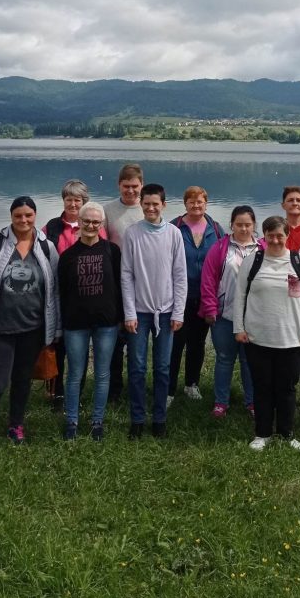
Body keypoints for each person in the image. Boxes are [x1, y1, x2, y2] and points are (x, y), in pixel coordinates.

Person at [0, 196, 60, 453]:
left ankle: (16, 425)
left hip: (32, 328)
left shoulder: (47, 247)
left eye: (28, 215)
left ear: (35, 216)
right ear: (11, 216)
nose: (23, 220)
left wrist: (55, 327)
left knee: (22, 380)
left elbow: (54, 287)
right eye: (18, 215)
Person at [233, 216, 300, 452]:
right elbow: (240, 295)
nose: (276, 240)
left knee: (287, 388)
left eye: (280, 235)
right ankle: (262, 433)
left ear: (287, 236)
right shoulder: (253, 261)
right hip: (258, 337)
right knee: (262, 387)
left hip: (291, 338)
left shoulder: (299, 262)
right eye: (271, 236)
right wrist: (238, 328)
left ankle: (287, 433)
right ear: (264, 236)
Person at [121, 183, 187, 439]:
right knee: (137, 367)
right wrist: (129, 312)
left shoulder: (174, 234)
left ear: (163, 205)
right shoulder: (132, 233)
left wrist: (179, 312)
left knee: (162, 367)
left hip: (167, 312)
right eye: (146, 204)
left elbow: (180, 276)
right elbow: (127, 275)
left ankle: (159, 418)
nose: (150, 208)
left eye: (155, 204)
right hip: (139, 312)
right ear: (141, 204)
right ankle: (137, 418)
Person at [57, 202, 122, 441]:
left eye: (96, 222)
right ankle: (72, 422)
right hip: (75, 324)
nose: (91, 225)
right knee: (75, 373)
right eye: (87, 221)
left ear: (102, 224)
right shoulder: (67, 256)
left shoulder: (112, 251)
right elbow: (61, 292)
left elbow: (120, 286)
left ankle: (97, 421)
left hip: (107, 323)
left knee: (103, 374)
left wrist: (122, 317)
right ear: (80, 223)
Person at [44, 179, 105, 406]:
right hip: (58, 295)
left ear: (84, 202)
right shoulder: (51, 227)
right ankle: (56, 391)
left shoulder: (95, 226)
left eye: (77, 200)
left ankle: (76, 393)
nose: (72, 204)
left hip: (85, 297)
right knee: (57, 344)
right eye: (68, 199)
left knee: (79, 350)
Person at [199, 205, 261, 419]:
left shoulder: (262, 248)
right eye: (239, 224)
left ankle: (252, 402)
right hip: (225, 315)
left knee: (249, 361)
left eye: (248, 224)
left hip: (254, 318)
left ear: (254, 225)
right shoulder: (220, 248)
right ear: (232, 225)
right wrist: (210, 309)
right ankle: (220, 402)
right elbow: (208, 280)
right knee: (224, 359)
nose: (243, 228)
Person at [168, 186, 225, 402]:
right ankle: (169, 389)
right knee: (175, 344)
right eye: (191, 201)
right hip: (178, 297)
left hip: (205, 297)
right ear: (185, 204)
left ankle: (191, 384)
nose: (196, 205)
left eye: (200, 201)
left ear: (206, 204)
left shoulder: (215, 229)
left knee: (197, 343)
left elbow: (223, 258)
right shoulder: (174, 227)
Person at [103, 163, 144, 402]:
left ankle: (136, 387)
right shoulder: (107, 210)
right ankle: (114, 389)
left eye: (134, 186)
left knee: (137, 339)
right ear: (119, 185)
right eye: (126, 186)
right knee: (116, 339)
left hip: (142, 285)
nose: (130, 190)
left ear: (141, 186)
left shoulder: (148, 209)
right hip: (115, 284)